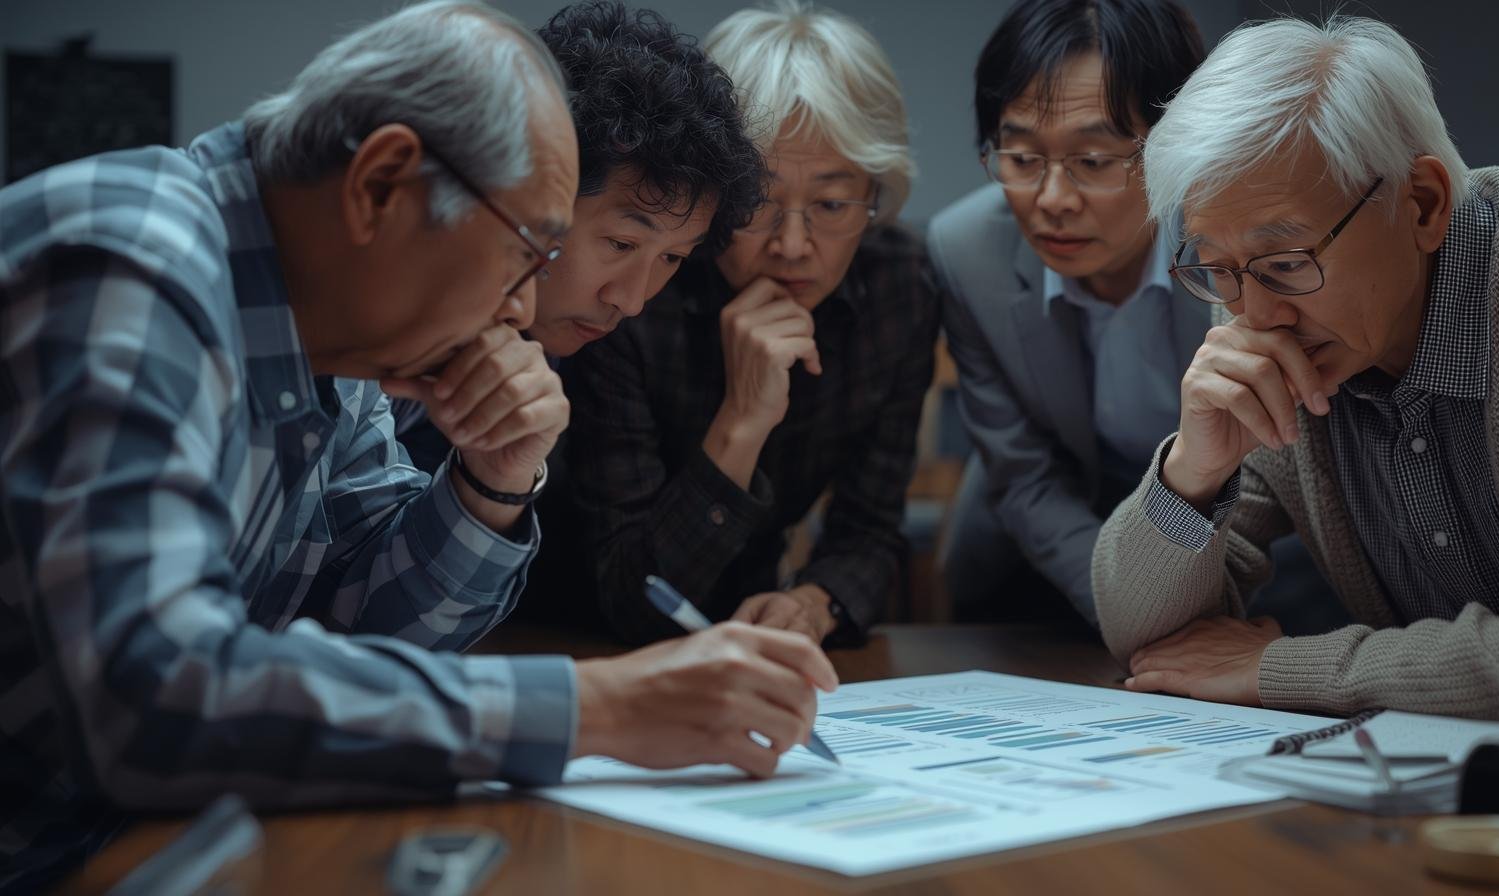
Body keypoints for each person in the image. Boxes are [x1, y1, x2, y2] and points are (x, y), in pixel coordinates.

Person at [0, 4, 831, 889]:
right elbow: (151, 699)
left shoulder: (340, 349)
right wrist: (597, 707)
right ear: (380, 186)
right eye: (527, 251)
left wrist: (490, 485)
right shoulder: (133, 261)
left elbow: (370, 635)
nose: (521, 308)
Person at [1092, 15, 1499, 723]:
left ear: (1422, 204)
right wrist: (1192, 473)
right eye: (1217, 268)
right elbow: (1151, 645)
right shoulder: (1271, 328)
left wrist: (1282, 670)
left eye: (1286, 262)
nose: (1256, 315)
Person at [933, 0, 1338, 632]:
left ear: (1175, 143)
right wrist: (1136, 612)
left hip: (1247, 562)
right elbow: (1024, 476)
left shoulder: (1244, 245)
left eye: (1093, 161)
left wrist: (1191, 610)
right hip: (1041, 571)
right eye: (1022, 159)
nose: (1052, 200)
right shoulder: (966, 252)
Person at [564, 0, 939, 646]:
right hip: (574, 637)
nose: (792, 245)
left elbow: (871, 531)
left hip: (755, 646)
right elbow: (631, 600)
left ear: (875, 196)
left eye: (831, 204)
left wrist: (816, 604)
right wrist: (741, 420)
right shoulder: (639, 291)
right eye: (759, 203)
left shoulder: (897, 287)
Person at [393, 0, 767, 630]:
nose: (632, 299)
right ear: (536, 192)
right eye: (620, 243)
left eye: (672, 258)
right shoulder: (388, 323)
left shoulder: (574, 343)